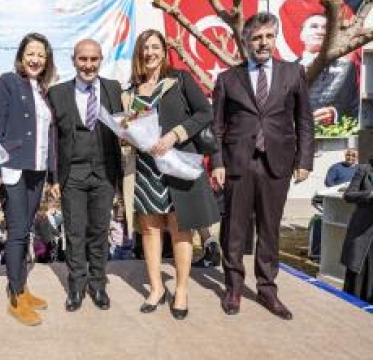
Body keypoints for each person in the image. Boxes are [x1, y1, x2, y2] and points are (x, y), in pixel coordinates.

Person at [212, 13, 314, 320]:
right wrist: (216, 162)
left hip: (277, 162)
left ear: (276, 38)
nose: (263, 43)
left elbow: (304, 120)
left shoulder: (293, 73)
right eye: (256, 37)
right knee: (234, 229)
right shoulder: (228, 78)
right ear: (245, 42)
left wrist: (305, 160)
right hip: (238, 163)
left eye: (269, 36)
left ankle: (267, 289)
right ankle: (233, 288)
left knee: (270, 228)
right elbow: (216, 127)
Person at [121, 29, 220, 319]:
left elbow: (205, 113)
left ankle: (181, 290)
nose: (150, 52)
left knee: (180, 229)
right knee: (150, 231)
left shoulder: (180, 80)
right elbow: (128, 127)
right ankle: (156, 288)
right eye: (145, 48)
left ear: (164, 51)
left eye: (155, 47)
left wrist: (175, 135)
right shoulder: (130, 92)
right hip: (144, 169)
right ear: (139, 54)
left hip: (176, 166)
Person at [46, 39, 122, 312]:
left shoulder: (113, 89)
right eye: (83, 59)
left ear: (100, 60)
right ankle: (77, 285)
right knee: (75, 232)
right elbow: (51, 138)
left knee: (100, 231)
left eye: (93, 59)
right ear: (74, 60)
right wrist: (52, 177)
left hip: (104, 172)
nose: (88, 65)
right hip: (72, 174)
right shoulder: (57, 93)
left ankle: (98, 283)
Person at [0, 32, 57, 326]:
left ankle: (22, 287)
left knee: (26, 229)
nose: (35, 59)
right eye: (31, 53)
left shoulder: (42, 90)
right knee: (16, 232)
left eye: (41, 55)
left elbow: (48, 136)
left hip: (37, 169)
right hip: (13, 168)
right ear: (21, 55)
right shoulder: (7, 82)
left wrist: (52, 173)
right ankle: (16, 297)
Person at [297, 13, 359, 126]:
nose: (320, 31)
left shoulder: (348, 69)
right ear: (301, 35)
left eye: (325, 28)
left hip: (334, 141)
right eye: (314, 26)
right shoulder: (285, 71)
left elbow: (356, 110)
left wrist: (335, 115)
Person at [340, 155, 373, 303]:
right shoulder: (364, 169)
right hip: (362, 231)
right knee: (359, 270)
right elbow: (348, 195)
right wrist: (370, 194)